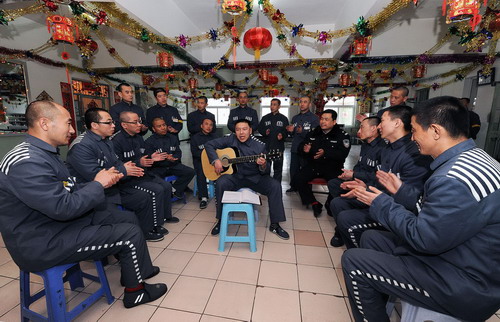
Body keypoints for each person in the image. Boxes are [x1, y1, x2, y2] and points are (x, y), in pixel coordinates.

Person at [341, 96, 500, 322]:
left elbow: (423, 239)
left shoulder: (452, 178)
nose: (412, 138)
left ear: (435, 130)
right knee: (373, 239)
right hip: (461, 255)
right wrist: (402, 191)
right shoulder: (477, 158)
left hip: (466, 282)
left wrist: (381, 204)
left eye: (414, 130)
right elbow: (442, 215)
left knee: (354, 262)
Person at [0, 101, 167, 308]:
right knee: (129, 234)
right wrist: (98, 184)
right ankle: (135, 293)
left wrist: (99, 183)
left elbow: (68, 189)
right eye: (68, 123)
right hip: (42, 241)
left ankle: (134, 273)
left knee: (126, 218)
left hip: (57, 224)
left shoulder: (44, 153)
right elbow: (62, 207)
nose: (72, 130)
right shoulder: (27, 161)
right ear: (44, 123)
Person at [67, 107, 174, 242]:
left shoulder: (106, 141)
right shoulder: (82, 146)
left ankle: (148, 229)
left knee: (149, 194)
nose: (113, 125)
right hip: (97, 195)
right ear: (94, 125)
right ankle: (140, 233)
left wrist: (126, 167)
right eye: (109, 122)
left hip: (114, 186)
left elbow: (116, 163)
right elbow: (96, 177)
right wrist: (124, 170)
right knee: (144, 197)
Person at [331, 105, 431, 248]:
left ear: (397, 123)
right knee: (338, 203)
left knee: (346, 218)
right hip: (381, 197)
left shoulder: (414, 153)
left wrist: (369, 193)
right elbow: (380, 180)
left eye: (382, 121)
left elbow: (412, 199)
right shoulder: (388, 149)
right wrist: (364, 187)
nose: (379, 127)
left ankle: (359, 254)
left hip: (398, 209)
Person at [205, 119, 289, 239]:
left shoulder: (260, 145)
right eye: (238, 129)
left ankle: (275, 224)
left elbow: (266, 170)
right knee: (220, 183)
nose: (241, 133)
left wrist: (263, 164)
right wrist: (216, 160)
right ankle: (220, 220)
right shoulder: (231, 139)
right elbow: (209, 145)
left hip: (254, 178)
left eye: (244, 129)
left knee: (275, 186)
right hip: (235, 177)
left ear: (250, 130)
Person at [112, 111, 179, 231]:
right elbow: (117, 166)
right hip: (128, 180)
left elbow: (143, 157)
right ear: (124, 125)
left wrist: (151, 158)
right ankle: (155, 225)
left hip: (142, 174)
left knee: (166, 186)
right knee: (156, 190)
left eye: (140, 121)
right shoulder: (116, 141)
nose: (139, 125)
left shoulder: (138, 138)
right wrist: (140, 163)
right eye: (135, 122)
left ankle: (166, 216)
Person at [325, 116, 385, 223]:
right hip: (359, 179)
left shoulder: (383, 149)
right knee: (334, 183)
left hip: (370, 185)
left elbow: (378, 177)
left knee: (337, 201)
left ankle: (347, 212)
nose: (359, 131)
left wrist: (354, 176)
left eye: (362, 127)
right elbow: (359, 165)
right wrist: (351, 174)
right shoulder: (365, 145)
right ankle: (343, 210)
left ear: (373, 128)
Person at [292, 109, 351, 217]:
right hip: (315, 165)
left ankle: (330, 203)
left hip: (332, 167)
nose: (323, 122)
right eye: (322, 119)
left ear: (334, 122)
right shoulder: (314, 132)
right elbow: (302, 146)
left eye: (326, 119)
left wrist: (326, 153)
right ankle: (314, 202)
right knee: (297, 179)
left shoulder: (342, 135)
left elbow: (342, 154)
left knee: (337, 183)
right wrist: (305, 149)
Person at [144, 117, 195, 199]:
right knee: (155, 180)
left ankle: (174, 190)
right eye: (159, 126)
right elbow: (147, 159)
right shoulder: (149, 142)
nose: (163, 128)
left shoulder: (172, 138)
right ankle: (165, 193)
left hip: (172, 165)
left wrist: (174, 158)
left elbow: (178, 152)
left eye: (164, 125)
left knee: (190, 172)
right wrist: (158, 158)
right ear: (153, 129)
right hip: (158, 168)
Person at [286, 96, 320, 192]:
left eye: (305, 102)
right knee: (293, 169)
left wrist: (302, 132)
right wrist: (291, 131)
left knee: (306, 170)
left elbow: (315, 134)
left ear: (309, 104)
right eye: (301, 102)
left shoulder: (314, 118)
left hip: (307, 149)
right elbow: (293, 134)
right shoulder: (295, 118)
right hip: (295, 148)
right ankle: (294, 186)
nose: (302, 104)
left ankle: (306, 189)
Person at [257, 98, 289, 182]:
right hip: (267, 147)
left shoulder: (284, 119)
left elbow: (287, 131)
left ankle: (276, 186)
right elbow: (260, 129)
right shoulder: (265, 118)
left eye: (274, 104)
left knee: (278, 170)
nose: (272, 106)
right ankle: (266, 185)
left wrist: (282, 135)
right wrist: (265, 132)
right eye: (271, 104)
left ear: (279, 106)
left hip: (278, 148)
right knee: (265, 169)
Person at [190, 118, 218, 209]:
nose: (208, 127)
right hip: (200, 161)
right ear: (201, 126)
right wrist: (207, 156)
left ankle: (220, 193)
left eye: (211, 125)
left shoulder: (215, 137)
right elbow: (194, 152)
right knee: (201, 173)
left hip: (213, 161)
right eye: (206, 124)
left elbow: (220, 150)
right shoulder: (195, 138)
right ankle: (204, 198)